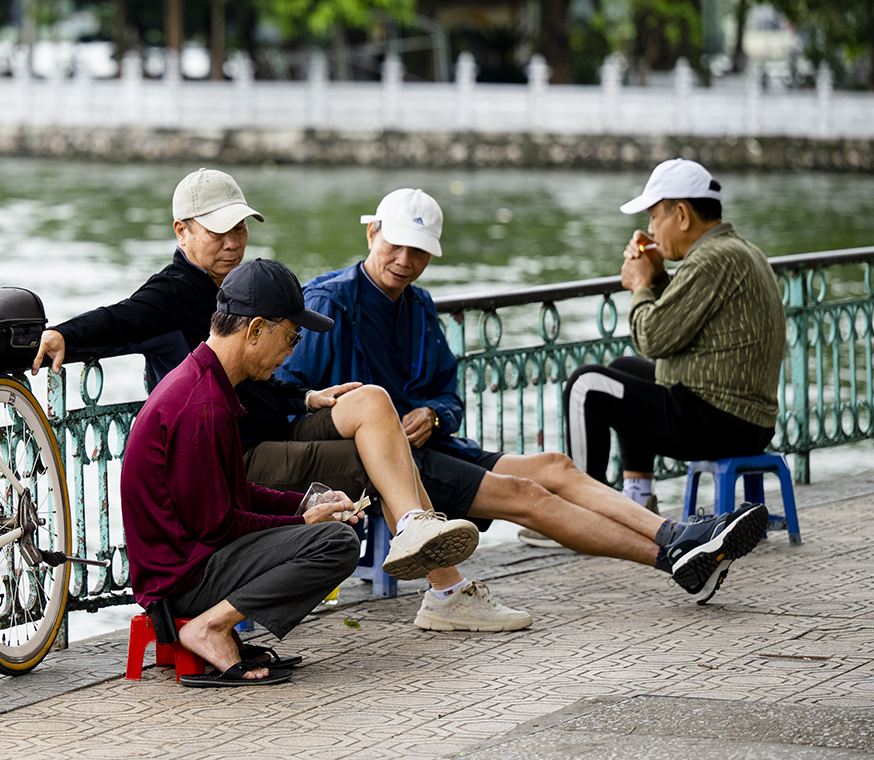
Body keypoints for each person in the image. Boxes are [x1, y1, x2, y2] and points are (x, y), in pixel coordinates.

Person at [34, 169, 515, 631]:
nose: (233, 243)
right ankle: (447, 590)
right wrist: (62, 337)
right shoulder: (172, 295)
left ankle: (415, 528)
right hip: (233, 451)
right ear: (181, 232)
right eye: (219, 232)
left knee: (370, 400)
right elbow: (120, 320)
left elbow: (262, 373)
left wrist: (306, 396)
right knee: (377, 460)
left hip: (273, 424)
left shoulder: (239, 285)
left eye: (239, 229)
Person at [278, 187, 769, 604]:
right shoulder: (327, 303)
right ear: (372, 234)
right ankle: (675, 560)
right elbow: (287, 398)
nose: (406, 262)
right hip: (388, 464)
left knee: (555, 466)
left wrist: (434, 414)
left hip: (434, 447)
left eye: (420, 251)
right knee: (526, 495)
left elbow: (449, 395)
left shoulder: (419, 305)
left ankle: (678, 536)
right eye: (397, 246)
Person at [120, 258, 362, 686]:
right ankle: (209, 627)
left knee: (330, 531)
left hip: (190, 563)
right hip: (181, 579)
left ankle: (215, 623)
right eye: (290, 337)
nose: (292, 352)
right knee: (338, 543)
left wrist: (307, 504)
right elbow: (219, 526)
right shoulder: (203, 406)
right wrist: (303, 523)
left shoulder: (205, 382)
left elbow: (235, 494)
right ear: (253, 330)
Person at [562, 160, 782, 581]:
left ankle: (580, 511)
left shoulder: (712, 260)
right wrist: (661, 278)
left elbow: (656, 339)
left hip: (718, 419)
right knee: (624, 370)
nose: (651, 227)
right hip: (743, 418)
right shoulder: (736, 251)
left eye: (654, 215)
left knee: (587, 385)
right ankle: (637, 498)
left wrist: (642, 284)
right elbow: (683, 323)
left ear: (680, 214)